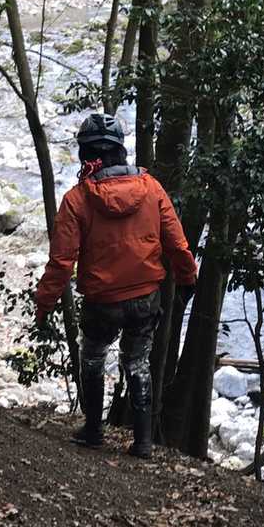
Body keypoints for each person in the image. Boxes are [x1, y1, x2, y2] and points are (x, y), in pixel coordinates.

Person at [34, 112, 198, 458]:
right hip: (145, 296)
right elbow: (177, 243)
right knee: (137, 362)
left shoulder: (77, 199)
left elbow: (62, 262)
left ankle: (94, 430)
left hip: (102, 300)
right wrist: (187, 279)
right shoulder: (151, 188)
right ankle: (143, 441)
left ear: (85, 154)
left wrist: (44, 304)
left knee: (93, 357)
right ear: (121, 149)